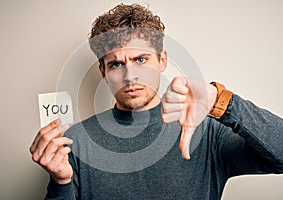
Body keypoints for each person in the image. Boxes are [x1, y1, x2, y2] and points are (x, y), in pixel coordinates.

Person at [30, 3, 283, 200]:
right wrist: (60, 182)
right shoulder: (76, 142)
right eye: (117, 64)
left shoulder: (207, 131)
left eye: (141, 60)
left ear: (162, 61)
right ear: (103, 72)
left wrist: (223, 101)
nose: (130, 76)